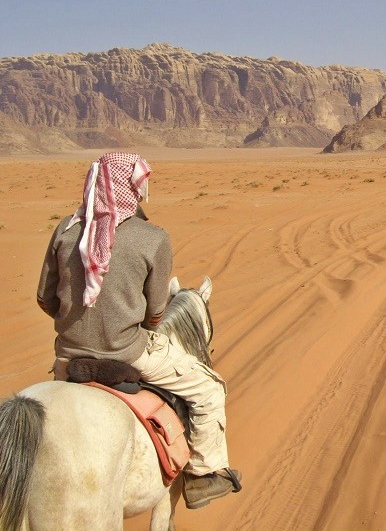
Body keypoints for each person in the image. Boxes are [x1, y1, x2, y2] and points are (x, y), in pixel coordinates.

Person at [36, 152, 241, 509]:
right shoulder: (152, 238)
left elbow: (44, 298)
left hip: (67, 354)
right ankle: (205, 474)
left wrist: (76, 319)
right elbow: (157, 311)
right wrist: (134, 323)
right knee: (209, 388)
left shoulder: (65, 230)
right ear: (132, 188)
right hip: (128, 351)